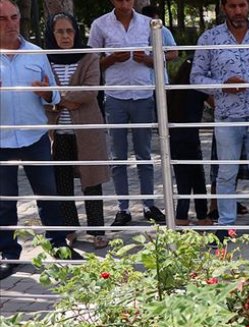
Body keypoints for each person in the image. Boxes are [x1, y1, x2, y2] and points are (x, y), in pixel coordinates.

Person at [191, 0, 249, 242]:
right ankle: (225, 225)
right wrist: (222, 87)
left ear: (248, 6)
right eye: (232, 6)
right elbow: (196, 78)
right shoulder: (209, 39)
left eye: (242, 5)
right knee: (225, 173)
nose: (238, 11)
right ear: (224, 7)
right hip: (226, 117)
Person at [1, 0, 81, 281]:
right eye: (3, 19)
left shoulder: (36, 53)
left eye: (14, 17)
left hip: (34, 137)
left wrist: (47, 94)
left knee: (48, 196)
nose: (11, 24)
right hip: (1, 140)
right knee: (4, 202)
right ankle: (7, 254)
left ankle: (59, 248)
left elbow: (57, 95)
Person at [89, 0, 166, 226]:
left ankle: (149, 205)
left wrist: (148, 59)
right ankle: (123, 208)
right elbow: (90, 62)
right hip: (115, 97)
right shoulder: (100, 25)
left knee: (144, 154)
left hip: (143, 95)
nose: (125, 3)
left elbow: (164, 57)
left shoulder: (149, 24)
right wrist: (112, 58)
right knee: (118, 156)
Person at [44, 12, 112, 249]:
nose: (65, 36)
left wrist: (56, 97)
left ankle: (97, 231)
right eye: (59, 31)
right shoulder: (45, 59)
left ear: (76, 32)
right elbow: (42, 95)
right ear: (52, 35)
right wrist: (63, 100)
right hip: (58, 133)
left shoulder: (89, 56)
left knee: (91, 181)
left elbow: (90, 91)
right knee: (61, 183)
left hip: (87, 130)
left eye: (69, 31)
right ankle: (69, 229)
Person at [166, 57, 211, 227]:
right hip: (191, 140)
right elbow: (214, 103)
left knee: (183, 182)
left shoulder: (173, 90)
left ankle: (181, 216)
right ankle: (202, 217)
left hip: (175, 140)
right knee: (198, 180)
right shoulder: (198, 89)